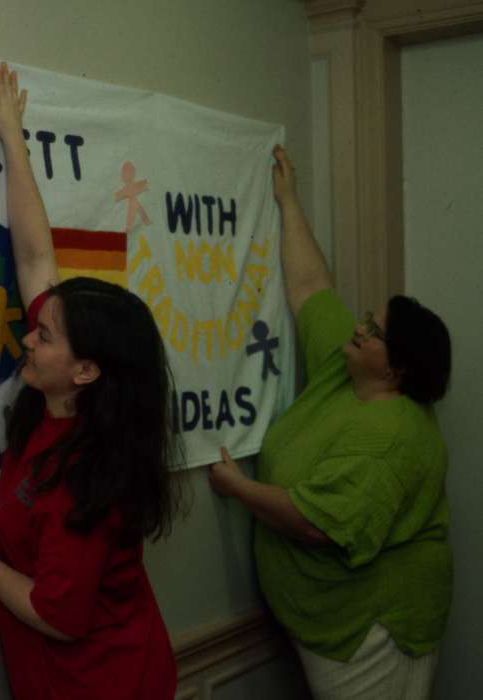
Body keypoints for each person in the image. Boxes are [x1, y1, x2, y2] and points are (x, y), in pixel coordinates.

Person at [0, 62, 181, 699]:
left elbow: (57, 613)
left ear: (86, 370)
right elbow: (34, 257)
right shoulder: (66, 408)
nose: (27, 335)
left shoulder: (88, 478)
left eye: (43, 336)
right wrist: (11, 138)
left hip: (106, 685)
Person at [208, 146, 453, 699]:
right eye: (368, 319)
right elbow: (312, 288)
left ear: (397, 369)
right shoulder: (345, 371)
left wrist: (240, 489)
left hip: (373, 632)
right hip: (324, 619)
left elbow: (318, 525)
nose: (361, 327)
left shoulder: (394, 438)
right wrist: (288, 200)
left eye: (375, 329)